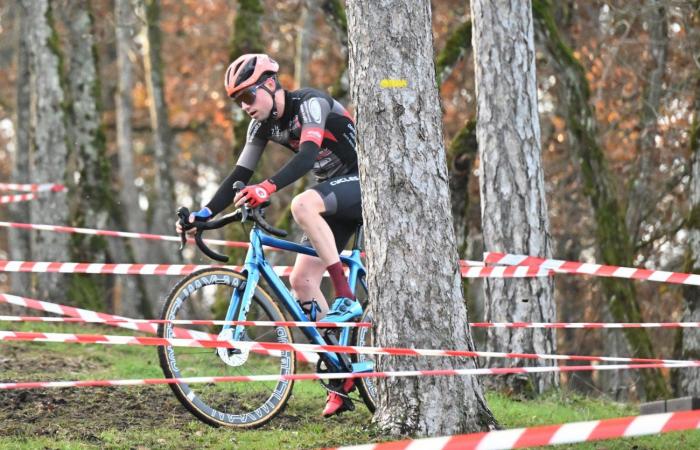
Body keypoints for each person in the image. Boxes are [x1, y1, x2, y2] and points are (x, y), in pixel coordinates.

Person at [175, 53, 362, 417]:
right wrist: (203, 214)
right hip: (337, 192)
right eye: (237, 101)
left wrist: (268, 187)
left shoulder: (310, 104)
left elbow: (307, 157)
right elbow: (236, 177)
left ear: (271, 84)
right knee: (302, 281)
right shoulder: (261, 126)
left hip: (366, 179)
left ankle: (345, 296)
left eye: (248, 96)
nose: (244, 106)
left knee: (303, 205)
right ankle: (341, 371)